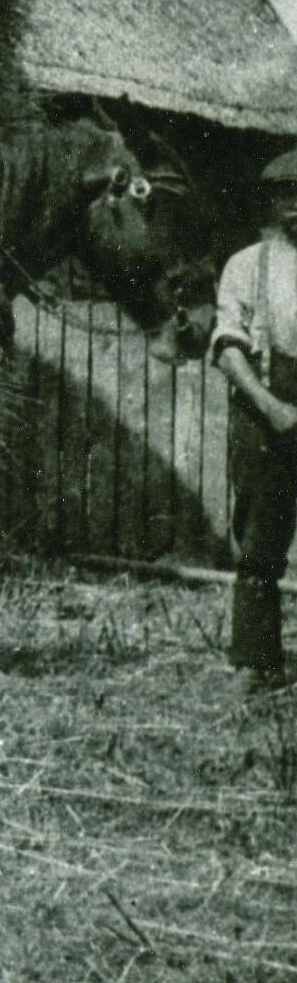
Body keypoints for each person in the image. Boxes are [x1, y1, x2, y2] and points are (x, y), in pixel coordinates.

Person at [209, 147, 297, 692]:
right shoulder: (247, 265)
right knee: (261, 541)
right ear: (272, 202)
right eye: (287, 195)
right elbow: (227, 348)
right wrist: (271, 406)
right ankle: (254, 662)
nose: (296, 206)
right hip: (268, 410)